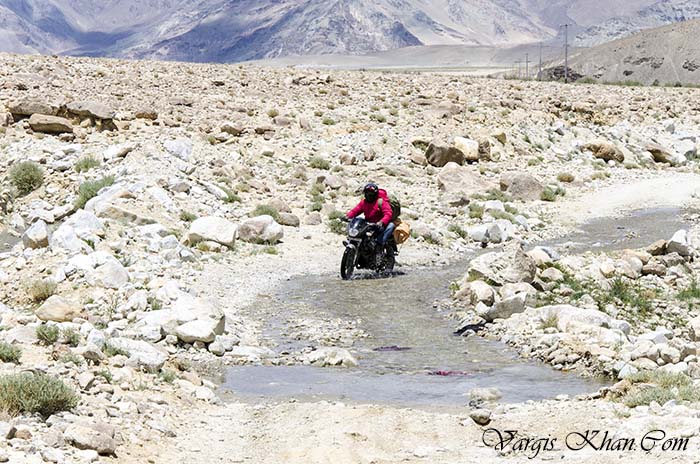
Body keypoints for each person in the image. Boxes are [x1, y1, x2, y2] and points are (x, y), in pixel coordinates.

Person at [346, 183, 396, 250]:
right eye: (367, 193)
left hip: (379, 225)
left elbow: (388, 213)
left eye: (371, 193)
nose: (368, 195)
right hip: (368, 225)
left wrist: (381, 222)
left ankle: (379, 246)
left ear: (375, 194)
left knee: (391, 225)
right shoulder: (363, 202)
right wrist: (347, 216)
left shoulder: (381, 202)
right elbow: (355, 210)